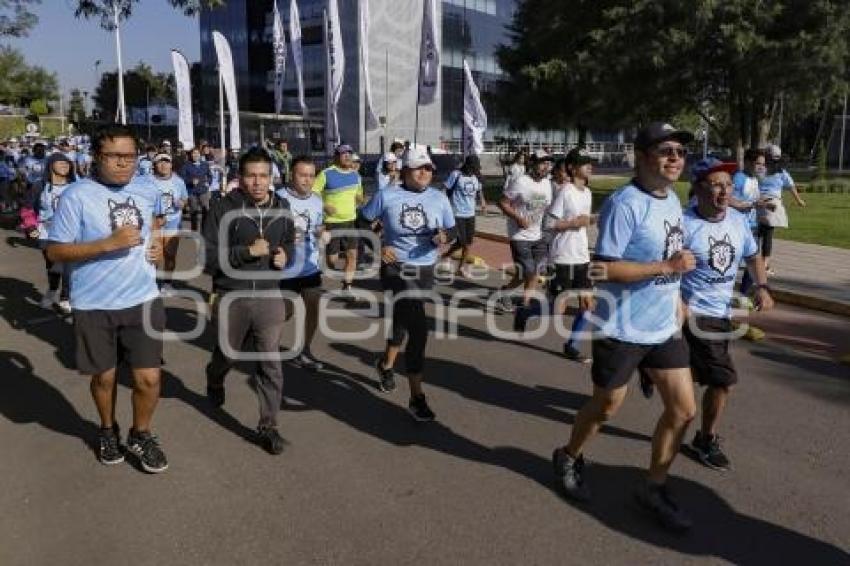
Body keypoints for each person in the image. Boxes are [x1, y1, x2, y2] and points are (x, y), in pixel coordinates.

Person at [552, 122, 697, 532]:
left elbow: (673, 255)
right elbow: (604, 267)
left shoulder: (672, 200)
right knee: (606, 407)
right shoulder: (625, 203)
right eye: (666, 150)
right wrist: (666, 267)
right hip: (621, 326)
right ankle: (568, 454)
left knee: (684, 410)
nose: (675, 158)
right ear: (642, 156)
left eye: (680, 152)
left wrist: (678, 293)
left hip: (663, 325)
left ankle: (653, 487)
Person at [45, 124, 168, 473]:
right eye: (114, 156)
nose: (123, 163)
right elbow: (53, 251)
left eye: (130, 156)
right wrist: (105, 244)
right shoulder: (76, 196)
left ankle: (141, 434)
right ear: (97, 157)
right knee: (105, 379)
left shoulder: (146, 188)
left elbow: (154, 224)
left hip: (143, 298)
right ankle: (107, 429)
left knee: (149, 379)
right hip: (93, 304)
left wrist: (156, 245)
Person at [679, 157, 775, 471]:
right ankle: (705, 440)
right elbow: (662, 270)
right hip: (693, 313)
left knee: (695, 374)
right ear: (697, 188)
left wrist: (762, 286)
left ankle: (655, 369)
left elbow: (753, 254)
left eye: (728, 185)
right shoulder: (682, 224)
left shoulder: (736, 220)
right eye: (717, 184)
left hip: (721, 313)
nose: (725, 191)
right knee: (723, 381)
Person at [203, 147, 296, 455]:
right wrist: (247, 252)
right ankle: (215, 378)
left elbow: (288, 242)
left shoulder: (282, 207)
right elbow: (209, 259)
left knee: (270, 362)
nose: (258, 182)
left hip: (270, 296)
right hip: (232, 295)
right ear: (240, 178)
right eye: (251, 176)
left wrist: (286, 255)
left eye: (263, 176)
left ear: (272, 177)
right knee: (227, 355)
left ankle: (269, 425)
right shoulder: (221, 208)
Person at [360, 147, 456, 421]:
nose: (425, 173)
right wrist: (379, 245)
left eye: (429, 169)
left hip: (425, 269)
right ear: (405, 171)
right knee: (419, 328)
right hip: (395, 268)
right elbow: (362, 220)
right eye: (419, 168)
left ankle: (385, 364)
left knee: (404, 319)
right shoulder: (386, 195)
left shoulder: (439, 197)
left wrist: (443, 237)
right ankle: (416, 397)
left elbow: (452, 230)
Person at [543, 147, 597, 362]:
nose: (589, 166)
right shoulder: (565, 191)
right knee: (557, 310)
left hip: (582, 255)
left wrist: (591, 220)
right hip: (563, 255)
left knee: (588, 305)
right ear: (573, 168)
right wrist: (575, 223)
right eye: (584, 163)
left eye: (589, 162)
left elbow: (583, 222)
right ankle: (526, 312)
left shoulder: (588, 192)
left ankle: (572, 345)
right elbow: (548, 223)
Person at [276, 156, 326, 370]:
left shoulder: (317, 199)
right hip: (284, 268)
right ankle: (266, 344)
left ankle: (304, 350)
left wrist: (321, 232)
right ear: (291, 175)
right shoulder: (278, 198)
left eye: (311, 175)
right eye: (302, 175)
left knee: (313, 308)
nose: (307, 180)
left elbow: (317, 225)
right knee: (283, 312)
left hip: (310, 266)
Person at [497, 149, 554, 313]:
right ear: (533, 164)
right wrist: (518, 218)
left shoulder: (547, 183)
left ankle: (525, 303)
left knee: (533, 272)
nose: (546, 167)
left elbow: (545, 207)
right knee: (527, 271)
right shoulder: (521, 182)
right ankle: (505, 292)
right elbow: (502, 203)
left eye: (548, 163)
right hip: (519, 235)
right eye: (542, 163)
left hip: (538, 235)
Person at [313, 144, 364, 292]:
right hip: (332, 223)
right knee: (332, 260)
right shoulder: (326, 174)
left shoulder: (356, 175)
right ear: (336, 156)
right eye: (343, 153)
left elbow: (359, 194)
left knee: (352, 255)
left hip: (350, 221)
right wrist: (323, 205)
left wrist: (360, 198)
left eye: (350, 153)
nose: (347, 156)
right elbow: (313, 193)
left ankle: (347, 286)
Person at [756, 144, 805, 275]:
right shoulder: (782, 173)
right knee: (767, 234)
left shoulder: (760, 170)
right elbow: (791, 187)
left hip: (758, 203)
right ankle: (764, 265)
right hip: (772, 205)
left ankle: (752, 259)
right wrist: (799, 201)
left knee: (757, 232)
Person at [36, 153, 77, 314]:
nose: (64, 165)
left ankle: (65, 297)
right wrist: (30, 226)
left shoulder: (76, 185)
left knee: (68, 267)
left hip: (70, 234)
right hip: (47, 233)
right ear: (51, 165)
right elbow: (28, 208)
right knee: (53, 267)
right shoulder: (40, 186)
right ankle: (52, 291)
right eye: (60, 162)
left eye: (67, 163)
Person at [442, 154, 486, 276]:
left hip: (470, 213)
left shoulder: (475, 176)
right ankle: (446, 255)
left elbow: (479, 190)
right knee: (462, 241)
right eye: (473, 167)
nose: (475, 170)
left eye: (476, 168)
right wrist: (445, 207)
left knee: (468, 243)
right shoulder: (456, 174)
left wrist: (482, 200)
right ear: (467, 165)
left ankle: (460, 268)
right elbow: (445, 189)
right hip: (457, 213)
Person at [150, 153, 188, 289]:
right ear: (155, 165)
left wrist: (181, 204)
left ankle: (167, 283)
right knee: (153, 256)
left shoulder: (179, 181)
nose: (164, 165)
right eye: (160, 162)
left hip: (173, 222)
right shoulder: (147, 181)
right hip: (154, 223)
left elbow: (185, 199)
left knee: (170, 255)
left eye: (167, 162)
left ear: (171, 165)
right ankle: (151, 283)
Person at [180, 147, 212, 231]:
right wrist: (190, 181)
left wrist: (208, 182)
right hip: (192, 191)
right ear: (191, 155)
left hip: (203, 190)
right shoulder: (186, 165)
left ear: (200, 155)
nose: (195, 155)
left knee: (206, 210)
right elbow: (182, 178)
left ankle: (204, 229)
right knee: (194, 212)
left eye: (197, 153)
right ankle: (194, 230)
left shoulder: (205, 164)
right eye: (193, 153)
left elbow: (209, 176)